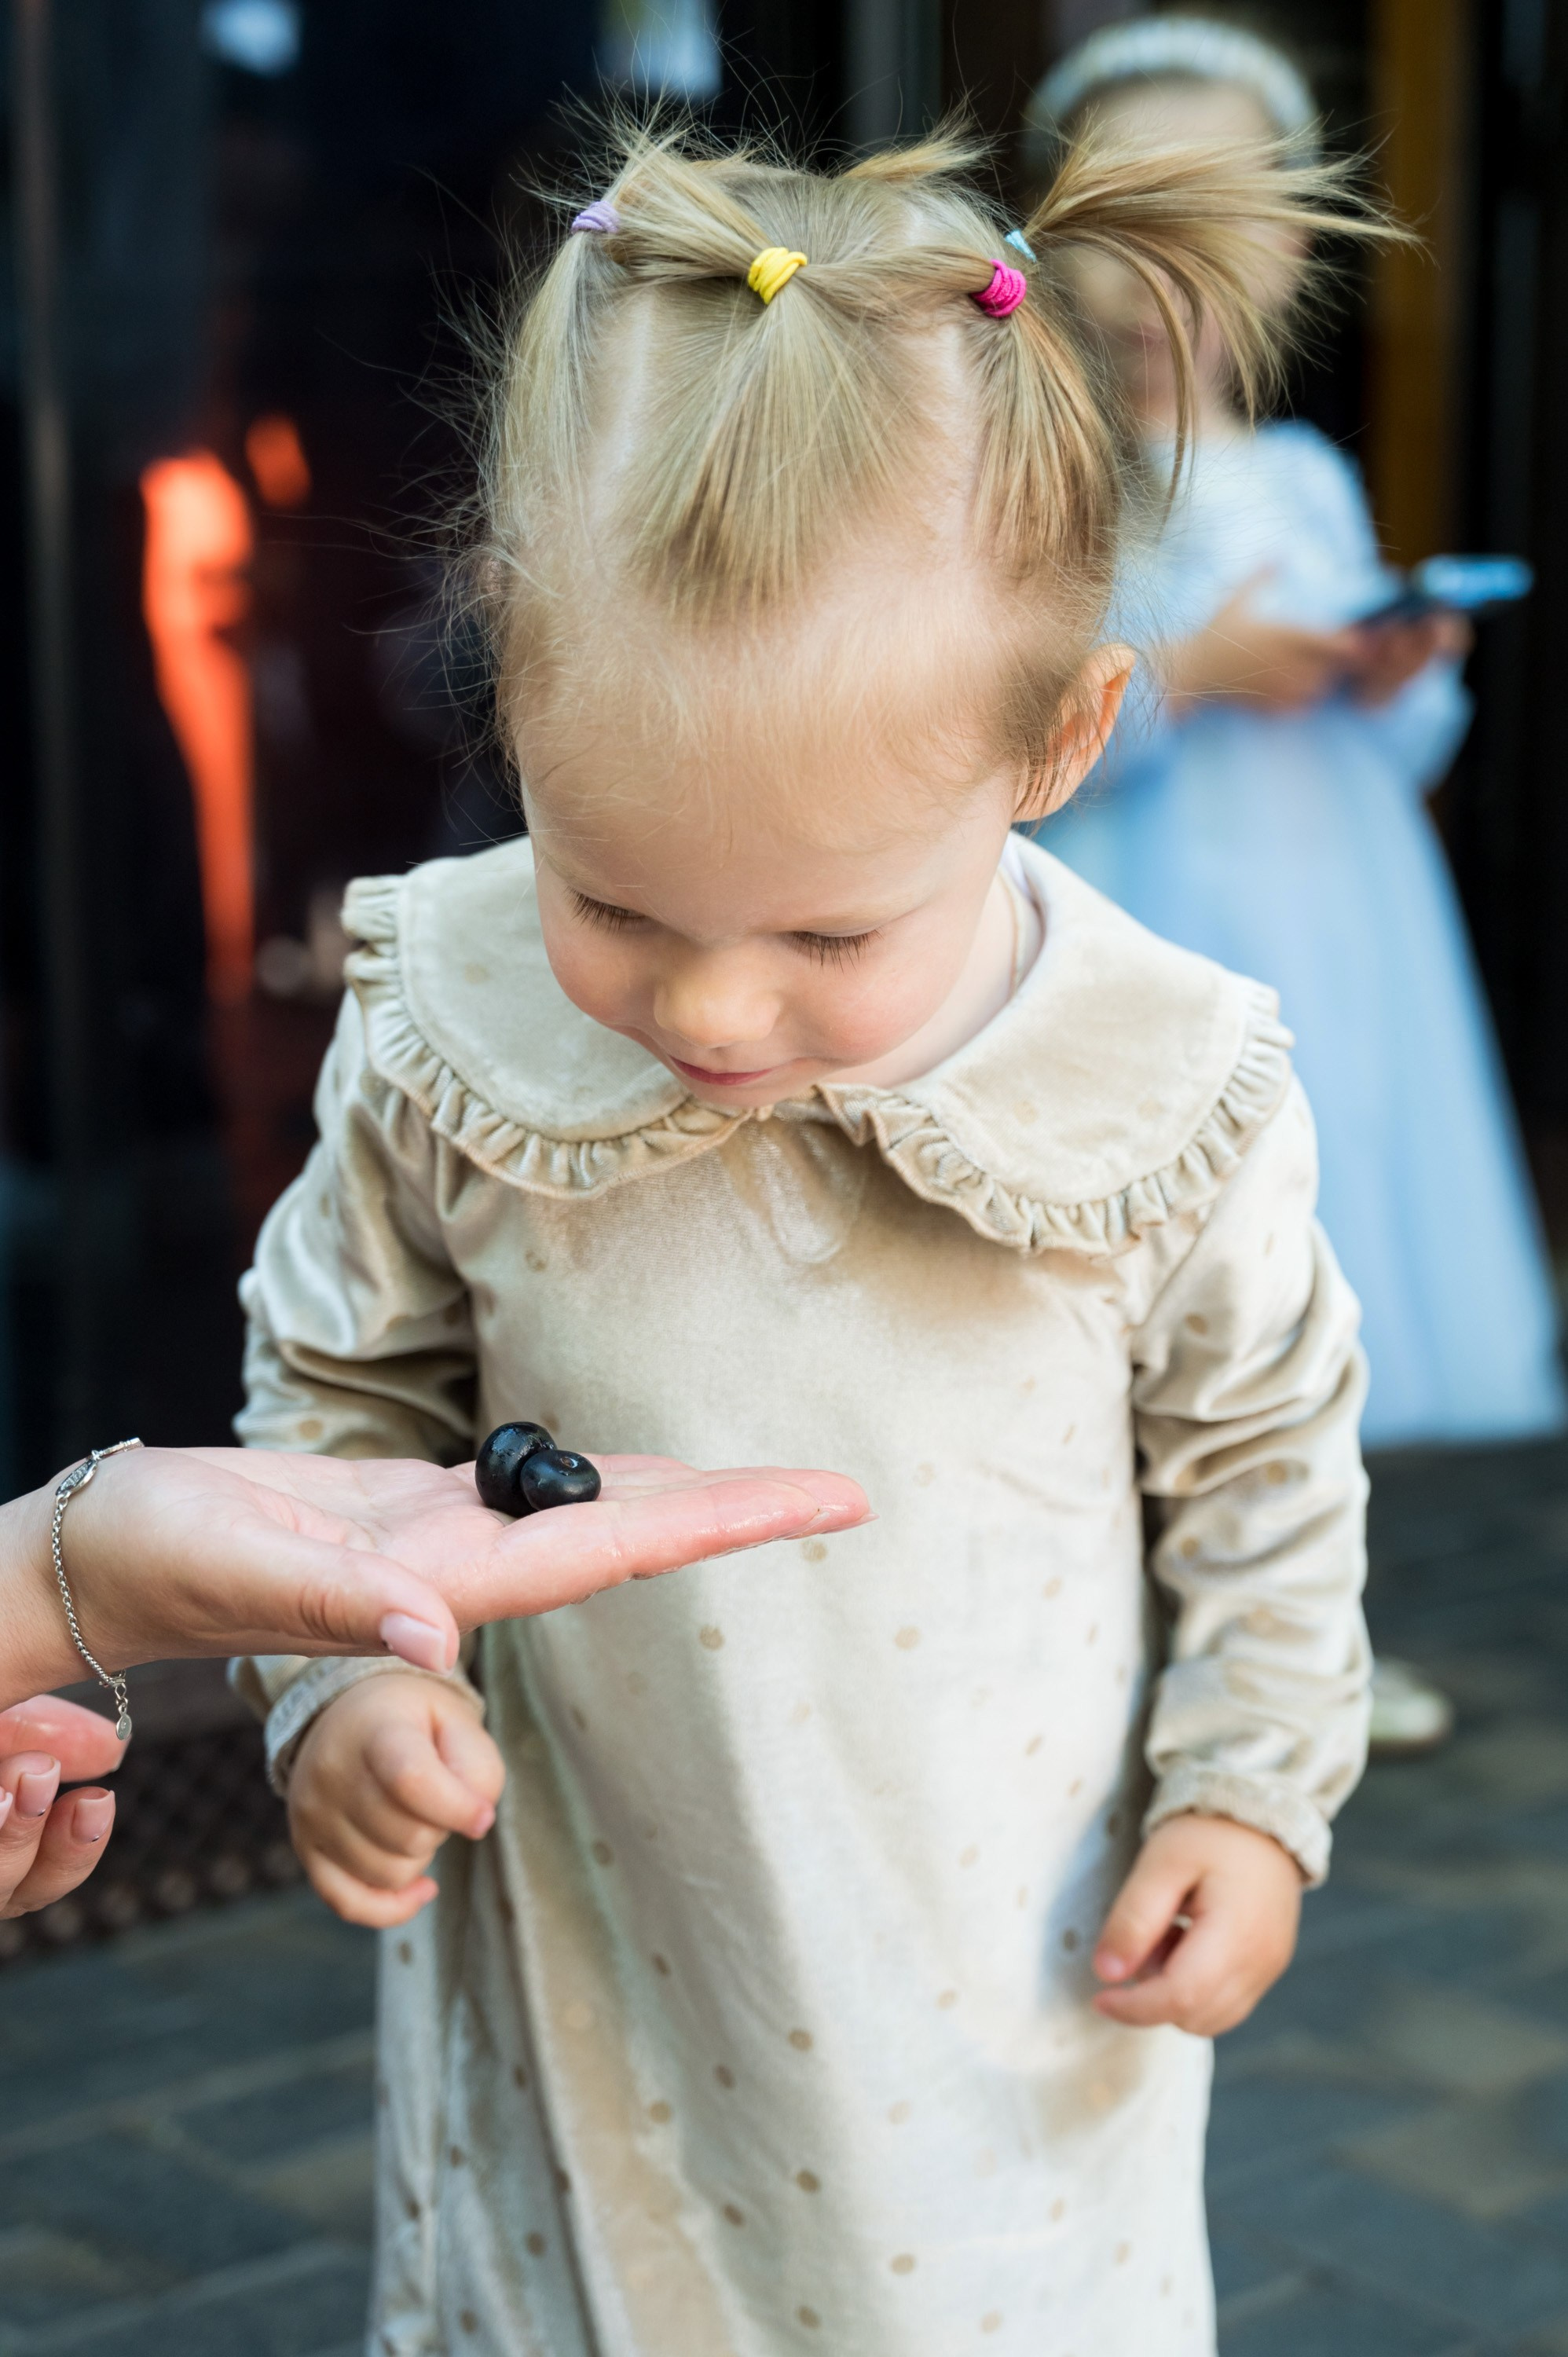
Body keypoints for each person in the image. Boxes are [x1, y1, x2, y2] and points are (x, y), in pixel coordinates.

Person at [235, 119, 1372, 2355]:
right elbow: (341, 1397)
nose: (711, 1011)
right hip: (592, 1958)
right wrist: (342, 1680)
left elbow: (1266, 1478)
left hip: (1001, 2003)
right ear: (510, 686)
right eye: (616, 903)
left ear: (1055, 740)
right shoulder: (449, 1025)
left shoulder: (1157, 1093)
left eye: (829, 927)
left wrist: (1247, 1801)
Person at [1029, 16, 1566, 1468]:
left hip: (1333, 922)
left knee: (1317, 1215)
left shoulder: (1305, 479)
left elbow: (1407, 751)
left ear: (1280, 255)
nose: (1153, 285)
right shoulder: (1059, 481)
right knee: (1155, 1246)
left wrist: (1391, 673)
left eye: (1204, 236)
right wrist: (1195, 671)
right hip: (1136, 913)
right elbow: (1009, 730)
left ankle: (1306, 1609)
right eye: (1116, 233)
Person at [0, 1442, 868, 1919]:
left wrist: (48, 1570)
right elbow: (338, 1411)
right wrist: (357, 1680)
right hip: (588, 1846)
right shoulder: (430, 1123)